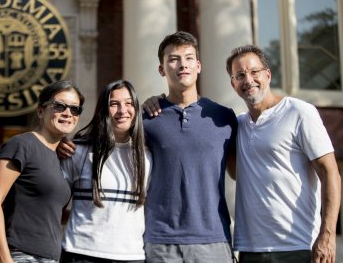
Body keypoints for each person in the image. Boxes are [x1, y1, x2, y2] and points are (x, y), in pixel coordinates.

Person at [226, 44, 341, 263]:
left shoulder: (299, 112)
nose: (248, 80)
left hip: (297, 246)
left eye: (254, 72)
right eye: (240, 75)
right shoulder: (238, 125)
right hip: (250, 250)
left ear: (268, 75)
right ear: (233, 84)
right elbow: (236, 173)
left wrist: (327, 235)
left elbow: (331, 173)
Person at [142, 31, 237, 262]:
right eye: (173, 59)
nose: (182, 64)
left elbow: (242, 172)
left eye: (188, 57)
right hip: (160, 241)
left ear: (198, 65)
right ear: (162, 69)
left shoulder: (224, 118)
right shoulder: (146, 118)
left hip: (213, 240)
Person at [0, 80, 85, 263]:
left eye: (74, 109)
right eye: (59, 106)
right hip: (21, 255)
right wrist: (5, 258)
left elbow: (49, 213)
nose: (67, 113)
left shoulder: (61, 156)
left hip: (52, 257)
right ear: (40, 111)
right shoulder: (22, 145)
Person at [59, 80, 152, 263]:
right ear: (103, 109)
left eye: (128, 103)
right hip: (81, 253)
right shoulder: (77, 151)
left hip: (131, 256)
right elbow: (53, 205)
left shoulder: (148, 156)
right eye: (114, 104)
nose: (122, 110)